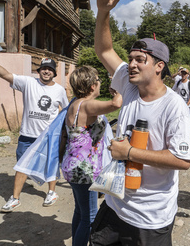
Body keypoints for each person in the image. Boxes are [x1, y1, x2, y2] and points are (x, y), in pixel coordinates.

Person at [89, 0, 190, 246]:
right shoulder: (127, 82)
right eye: (131, 57)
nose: (131, 64)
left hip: (150, 218)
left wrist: (130, 154)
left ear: (159, 66)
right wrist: (103, 12)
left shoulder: (174, 107)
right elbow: (103, 50)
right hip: (115, 204)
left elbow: (182, 160)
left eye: (140, 59)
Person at [0, 55, 69, 212]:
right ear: (39, 71)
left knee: (51, 164)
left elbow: (67, 111)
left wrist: (62, 131)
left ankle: (51, 192)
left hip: (47, 137)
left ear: (54, 73)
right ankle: (15, 199)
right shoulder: (28, 83)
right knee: (21, 166)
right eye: (44, 69)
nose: (46, 72)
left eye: (50, 69)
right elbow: (6, 75)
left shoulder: (59, 90)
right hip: (27, 135)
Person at [62, 65, 122, 246]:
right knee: (90, 217)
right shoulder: (87, 104)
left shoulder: (75, 103)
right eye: (98, 80)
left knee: (80, 212)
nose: (100, 83)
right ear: (91, 86)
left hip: (73, 166)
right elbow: (116, 104)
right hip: (84, 170)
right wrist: (119, 88)